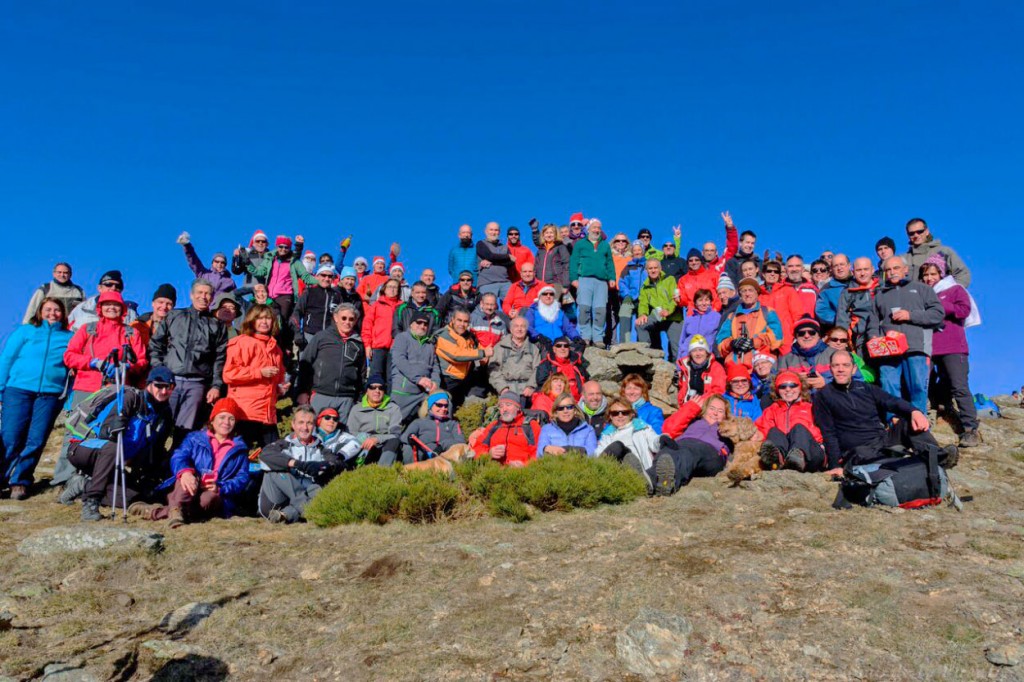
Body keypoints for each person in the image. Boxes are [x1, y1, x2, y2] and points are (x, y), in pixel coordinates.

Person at [55, 290, 148, 487]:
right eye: (107, 305)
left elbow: (142, 360)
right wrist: (92, 363)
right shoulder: (88, 329)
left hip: (116, 389)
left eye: (116, 305)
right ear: (100, 308)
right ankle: (64, 479)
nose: (111, 308)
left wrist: (129, 367)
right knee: (75, 430)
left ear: (123, 309)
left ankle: (93, 479)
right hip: (87, 386)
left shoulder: (131, 333)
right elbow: (69, 355)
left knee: (106, 433)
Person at [812, 350, 956, 473]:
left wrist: (914, 411)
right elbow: (828, 433)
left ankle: (937, 457)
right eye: (836, 365)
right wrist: (835, 465)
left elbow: (892, 401)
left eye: (845, 365)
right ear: (830, 369)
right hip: (856, 449)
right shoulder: (823, 396)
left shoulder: (866, 388)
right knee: (863, 455)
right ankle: (902, 461)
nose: (841, 369)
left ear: (854, 369)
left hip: (882, 440)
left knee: (908, 422)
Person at [63, 366, 175, 521]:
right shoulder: (130, 398)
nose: (163, 391)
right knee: (114, 446)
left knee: (132, 497)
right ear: (148, 384)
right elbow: (105, 433)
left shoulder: (164, 414)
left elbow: (155, 448)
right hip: (84, 448)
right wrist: (117, 425)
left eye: (168, 387)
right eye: (159, 386)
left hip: (116, 460)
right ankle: (91, 504)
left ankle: (83, 485)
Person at [130, 397, 250, 527]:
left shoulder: (239, 449)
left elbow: (242, 478)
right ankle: (175, 511)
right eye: (222, 417)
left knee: (209, 499)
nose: (226, 422)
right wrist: (185, 472)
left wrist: (220, 488)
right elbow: (179, 456)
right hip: (190, 484)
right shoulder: (195, 438)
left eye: (231, 418)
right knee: (187, 480)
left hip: (214, 492)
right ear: (213, 419)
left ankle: (154, 511)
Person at [0, 297, 73, 499]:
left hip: (49, 394)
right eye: (48, 309)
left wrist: (67, 396)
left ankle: (20, 481)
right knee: (10, 437)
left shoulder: (69, 337)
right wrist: (0, 388)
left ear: (63, 314)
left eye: (57, 310)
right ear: (40, 312)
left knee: (36, 439)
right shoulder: (25, 331)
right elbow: (6, 358)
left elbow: (72, 367)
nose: (52, 313)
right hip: (18, 389)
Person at [149, 279, 228, 448]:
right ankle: (149, 469)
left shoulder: (217, 325)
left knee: (184, 432)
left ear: (212, 297)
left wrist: (216, 386)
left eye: (207, 293)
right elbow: (156, 344)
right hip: (169, 382)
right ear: (192, 295)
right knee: (158, 426)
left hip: (197, 384)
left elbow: (219, 359)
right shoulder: (175, 316)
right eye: (199, 293)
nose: (203, 297)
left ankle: (175, 470)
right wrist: (159, 369)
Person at [866, 256, 944, 414]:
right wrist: (873, 336)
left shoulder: (922, 289)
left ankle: (919, 425)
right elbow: (873, 320)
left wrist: (910, 315)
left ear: (905, 270)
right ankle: (894, 424)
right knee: (889, 386)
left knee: (917, 386)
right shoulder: (880, 294)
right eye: (888, 270)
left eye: (896, 268)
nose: (892, 272)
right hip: (888, 349)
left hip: (915, 346)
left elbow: (937, 314)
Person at [920, 259, 980, 447]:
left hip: (953, 346)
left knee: (959, 386)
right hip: (929, 347)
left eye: (933, 274)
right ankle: (939, 413)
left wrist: (941, 307)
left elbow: (964, 310)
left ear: (941, 274)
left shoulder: (955, 290)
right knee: (926, 384)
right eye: (926, 275)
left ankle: (970, 429)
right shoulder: (922, 294)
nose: (929, 278)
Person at [258, 406, 340, 524]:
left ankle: (284, 516)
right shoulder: (282, 444)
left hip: (304, 498)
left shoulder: (322, 449)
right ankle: (308, 509)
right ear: (293, 424)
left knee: (321, 482)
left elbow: (337, 463)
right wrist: (297, 464)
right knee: (275, 470)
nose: (305, 428)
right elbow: (265, 456)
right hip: (276, 501)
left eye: (309, 423)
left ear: (314, 426)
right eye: (301, 422)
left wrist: (323, 466)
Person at [223, 304, 287, 450]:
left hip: (268, 413)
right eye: (259, 318)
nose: (264, 322)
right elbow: (229, 374)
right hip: (245, 413)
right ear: (251, 320)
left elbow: (277, 378)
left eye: (268, 318)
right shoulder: (241, 342)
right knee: (238, 456)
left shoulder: (276, 349)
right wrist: (259, 372)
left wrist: (280, 387)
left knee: (274, 456)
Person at [652, 394, 733, 496]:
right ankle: (648, 481)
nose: (715, 413)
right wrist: (691, 408)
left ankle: (670, 483)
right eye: (712, 408)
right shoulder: (693, 421)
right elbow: (668, 429)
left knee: (690, 452)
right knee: (667, 449)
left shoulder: (729, 429)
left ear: (725, 416)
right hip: (684, 445)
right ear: (704, 410)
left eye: (720, 411)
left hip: (711, 453)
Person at [297, 303, 366, 419]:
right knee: (314, 431)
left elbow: (361, 372)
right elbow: (305, 364)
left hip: (346, 398)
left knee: (342, 433)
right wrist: (302, 391)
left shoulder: (358, 343)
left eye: (351, 319)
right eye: (343, 318)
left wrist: (358, 397)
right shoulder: (321, 337)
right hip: (321, 394)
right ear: (335, 318)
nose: (347, 322)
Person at [754, 371, 825, 472]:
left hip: (811, 452)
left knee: (798, 428)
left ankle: (798, 456)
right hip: (786, 452)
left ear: (800, 387)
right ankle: (777, 459)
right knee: (773, 431)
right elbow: (762, 429)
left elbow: (826, 430)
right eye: (783, 386)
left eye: (793, 385)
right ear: (777, 390)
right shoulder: (772, 409)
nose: (788, 389)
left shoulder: (810, 407)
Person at [715, 278, 783, 370]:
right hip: (736, 367)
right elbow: (721, 341)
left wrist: (754, 342)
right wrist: (732, 344)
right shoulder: (731, 316)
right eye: (744, 291)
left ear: (757, 293)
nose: (747, 294)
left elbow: (777, 337)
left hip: (760, 366)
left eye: (750, 290)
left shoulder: (768, 312)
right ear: (740, 295)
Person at [595, 398, 661, 493]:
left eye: (624, 412)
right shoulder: (607, 436)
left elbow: (654, 442)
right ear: (610, 416)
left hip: (645, 470)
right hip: (621, 473)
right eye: (615, 413)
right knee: (617, 446)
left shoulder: (642, 428)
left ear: (631, 414)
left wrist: (662, 438)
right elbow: (599, 454)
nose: (620, 416)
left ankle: (646, 482)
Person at [569, 219, 615, 346]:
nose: (596, 230)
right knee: (584, 309)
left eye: (599, 228)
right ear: (588, 229)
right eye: (594, 227)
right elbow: (573, 262)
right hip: (584, 279)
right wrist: (573, 278)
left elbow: (610, 263)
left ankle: (598, 338)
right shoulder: (580, 244)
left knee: (600, 310)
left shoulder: (605, 245)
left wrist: (612, 278)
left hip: (601, 281)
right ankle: (585, 336)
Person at [435, 308, 491, 407]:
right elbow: (456, 355)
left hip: (463, 379)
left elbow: (477, 347)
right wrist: (482, 353)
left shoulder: (469, 336)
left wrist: (484, 358)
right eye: (459, 320)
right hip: (447, 380)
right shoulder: (444, 335)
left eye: (465, 321)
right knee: (446, 408)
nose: (462, 324)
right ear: (452, 320)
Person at [390, 314, 442, 421]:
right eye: (419, 322)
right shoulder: (402, 338)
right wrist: (418, 379)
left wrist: (435, 382)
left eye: (425, 324)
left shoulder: (429, 344)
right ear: (411, 324)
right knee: (395, 424)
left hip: (424, 392)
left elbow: (435, 366)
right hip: (404, 391)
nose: (422, 326)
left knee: (443, 404)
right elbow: (400, 360)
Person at [394, 391, 466, 465]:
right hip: (423, 455)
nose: (443, 408)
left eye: (446, 406)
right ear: (430, 406)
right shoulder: (419, 422)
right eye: (439, 405)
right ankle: (412, 471)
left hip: (444, 455)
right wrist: (410, 439)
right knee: (408, 447)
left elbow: (461, 442)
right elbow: (404, 437)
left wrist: (442, 446)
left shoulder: (453, 424)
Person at [346, 376, 404, 466]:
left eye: (381, 388)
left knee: (394, 441)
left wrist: (377, 439)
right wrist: (365, 438)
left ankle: (382, 471)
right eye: (372, 387)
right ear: (367, 391)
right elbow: (350, 432)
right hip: (364, 445)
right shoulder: (356, 409)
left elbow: (395, 434)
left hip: (384, 446)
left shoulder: (393, 408)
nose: (377, 391)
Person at [472, 393, 541, 467]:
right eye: (501, 406)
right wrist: (489, 453)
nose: (504, 409)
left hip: (523, 474)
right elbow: (476, 449)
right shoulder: (493, 426)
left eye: (508, 405)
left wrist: (525, 465)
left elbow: (539, 453)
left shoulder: (530, 426)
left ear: (518, 408)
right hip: (495, 472)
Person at [636, 259, 683, 361]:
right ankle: (645, 357)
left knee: (676, 348)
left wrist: (668, 310)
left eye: (655, 268)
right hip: (658, 315)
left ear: (660, 268)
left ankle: (678, 372)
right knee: (640, 324)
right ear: (646, 270)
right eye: (650, 268)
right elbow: (643, 303)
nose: (653, 270)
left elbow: (675, 299)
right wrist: (642, 314)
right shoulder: (645, 286)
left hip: (673, 317)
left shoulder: (669, 279)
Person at [904, 218, 971, 288]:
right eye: (911, 233)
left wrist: (950, 293)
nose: (916, 235)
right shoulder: (903, 259)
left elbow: (963, 274)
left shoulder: (944, 252)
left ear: (927, 231)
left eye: (920, 231)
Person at [488, 316, 541, 402]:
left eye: (523, 326)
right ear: (511, 329)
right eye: (516, 326)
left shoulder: (534, 349)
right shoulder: (500, 347)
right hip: (507, 391)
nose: (519, 329)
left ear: (526, 330)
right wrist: (502, 388)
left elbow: (537, 369)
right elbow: (493, 370)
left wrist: (531, 386)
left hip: (527, 392)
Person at [835, 257, 880, 354]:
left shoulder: (883, 287)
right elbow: (842, 318)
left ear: (872, 270)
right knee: (864, 368)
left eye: (866, 269)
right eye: (859, 270)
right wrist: (843, 341)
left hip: (883, 335)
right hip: (861, 338)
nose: (862, 273)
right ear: (853, 272)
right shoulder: (848, 292)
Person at [292, 264, 344, 347]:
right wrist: (298, 334)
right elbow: (296, 313)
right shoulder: (309, 292)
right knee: (306, 360)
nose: (326, 279)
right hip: (309, 335)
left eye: (330, 276)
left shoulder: (337, 295)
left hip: (329, 337)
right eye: (323, 275)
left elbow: (341, 317)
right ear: (317, 276)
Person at [68, 270, 139, 330]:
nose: (113, 288)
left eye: (118, 286)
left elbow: (135, 338)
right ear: (99, 288)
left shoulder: (130, 313)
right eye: (108, 284)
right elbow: (67, 332)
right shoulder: (81, 309)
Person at [362, 278, 403, 382]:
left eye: (395, 287)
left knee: (392, 378)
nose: (392, 290)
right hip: (378, 347)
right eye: (390, 287)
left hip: (396, 348)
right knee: (376, 377)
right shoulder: (376, 305)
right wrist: (367, 345)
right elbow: (367, 324)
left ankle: (390, 398)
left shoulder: (403, 307)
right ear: (384, 289)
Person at [536, 393, 597, 457]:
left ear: (575, 410)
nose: (565, 411)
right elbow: (539, 454)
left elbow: (593, 453)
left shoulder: (588, 430)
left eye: (569, 407)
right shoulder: (546, 429)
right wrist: (546, 449)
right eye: (561, 408)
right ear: (556, 412)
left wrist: (569, 450)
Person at [776, 315, 829, 389]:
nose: (806, 336)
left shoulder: (833, 355)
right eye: (801, 333)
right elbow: (772, 383)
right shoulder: (785, 360)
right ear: (796, 337)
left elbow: (846, 379)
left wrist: (825, 382)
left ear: (819, 335)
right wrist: (793, 379)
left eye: (812, 332)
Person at [759, 260, 800, 353]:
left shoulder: (788, 290)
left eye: (776, 271)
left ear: (779, 275)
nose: (772, 274)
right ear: (764, 274)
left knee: (786, 366)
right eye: (769, 271)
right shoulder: (758, 294)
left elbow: (797, 315)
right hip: (765, 340)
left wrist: (796, 335)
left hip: (786, 339)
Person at [522, 285, 580, 349]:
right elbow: (527, 326)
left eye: (551, 294)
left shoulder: (559, 312)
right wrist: (538, 336)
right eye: (545, 294)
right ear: (540, 297)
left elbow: (568, 328)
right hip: (541, 342)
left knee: (579, 348)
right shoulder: (532, 311)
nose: (548, 296)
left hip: (559, 343)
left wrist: (575, 336)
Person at [676, 335, 727, 406]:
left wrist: (699, 401)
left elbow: (718, 391)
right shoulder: (686, 367)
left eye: (701, 350)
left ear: (707, 352)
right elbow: (682, 389)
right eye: (694, 351)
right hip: (686, 405)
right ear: (690, 354)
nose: (698, 354)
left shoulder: (716, 368)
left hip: (706, 406)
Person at [536, 336, 589, 401]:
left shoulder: (577, 364)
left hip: (579, 401)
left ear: (569, 349)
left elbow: (587, 381)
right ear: (554, 349)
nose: (562, 348)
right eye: (559, 346)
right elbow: (543, 384)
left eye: (566, 346)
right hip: (555, 401)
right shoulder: (546, 365)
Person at [617, 241, 647, 343]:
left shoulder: (648, 266)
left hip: (644, 299)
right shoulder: (628, 267)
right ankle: (624, 343)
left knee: (642, 321)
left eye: (639, 249)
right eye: (635, 250)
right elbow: (622, 282)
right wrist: (627, 295)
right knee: (624, 313)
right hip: (631, 296)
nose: (637, 252)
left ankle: (642, 344)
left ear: (643, 251)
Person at [476, 221, 514, 301]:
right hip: (487, 283)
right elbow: (489, 255)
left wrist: (492, 261)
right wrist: (506, 256)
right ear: (486, 231)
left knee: (514, 304)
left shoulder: (504, 247)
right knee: (487, 308)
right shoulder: (480, 244)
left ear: (499, 232)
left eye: (496, 230)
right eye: (491, 230)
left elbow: (511, 263)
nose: (493, 232)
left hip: (505, 282)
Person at [677, 248, 721, 313]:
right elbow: (684, 301)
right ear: (688, 263)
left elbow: (720, 295)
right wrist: (679, 300)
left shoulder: (713, 275)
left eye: (697, 260)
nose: (694, 262)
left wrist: (714, 310)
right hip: (693, 316)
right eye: (691, 260)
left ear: (701, 261)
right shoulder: (683, 280)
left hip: (711, 314)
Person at [678, 288, 721, 354]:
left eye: (706, 300)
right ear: (695, 303)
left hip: (707, 354)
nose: (704, 303)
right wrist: (681, 354)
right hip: (688, 354)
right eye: (700, 300)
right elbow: (682, 339)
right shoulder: (689, 319)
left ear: (710, 302)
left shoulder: (717, 317)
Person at [814, 254, 852, 326]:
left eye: (842, 264)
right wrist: (841, 319)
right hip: (839, 329)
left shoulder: (858, 283)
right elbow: (821, 311)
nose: (839, 268)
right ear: (831, 269)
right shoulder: (827, 288)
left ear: (849, 265)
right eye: (836, 266)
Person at [533, 223, 571, 293]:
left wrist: (565, 285)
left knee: (555, 303)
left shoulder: (560, 247)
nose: (549, 235)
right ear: (543, 235)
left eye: (551, 233)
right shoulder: (540, 250)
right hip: (540, 284)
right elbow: (535, 266)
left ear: (555, 234)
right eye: (546, 233)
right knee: (541, 303)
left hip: (556, 283)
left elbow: (566, 265)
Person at [784, 255, 818, 319]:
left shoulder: (813, 290)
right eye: (790, 266)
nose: (794, 269)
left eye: (797, 266)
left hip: (807, 327)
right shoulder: (779, 289)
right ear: (786, 269)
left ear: (803, 269)